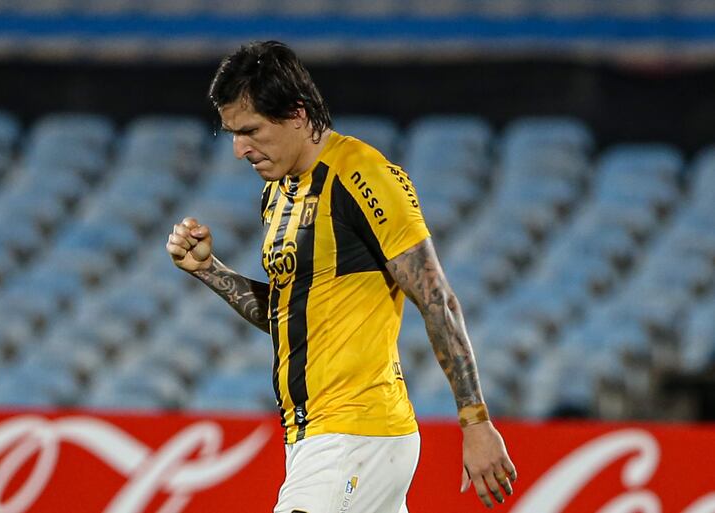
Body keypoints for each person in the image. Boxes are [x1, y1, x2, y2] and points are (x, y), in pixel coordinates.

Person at [166, 40, 516, 512]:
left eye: (249, 131)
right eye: (231, 133)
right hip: (316, 437)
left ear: (297, 114)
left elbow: (436, 297)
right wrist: (210, 271)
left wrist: (475, 422)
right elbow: (291, 313)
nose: (238, 150)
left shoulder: (363, 175)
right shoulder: (279, 194)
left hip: (354, 434)